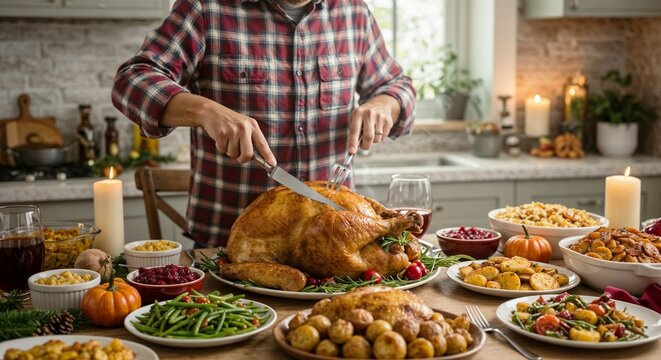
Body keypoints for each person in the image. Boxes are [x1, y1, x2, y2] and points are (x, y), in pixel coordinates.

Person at [112, 0, 416, 247]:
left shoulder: (354, 13)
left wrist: (384, 105)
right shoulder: (205, 9)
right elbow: (131, 81)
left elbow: (398, 85)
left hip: (335, 243)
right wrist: (205, 110)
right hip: (229, 245)